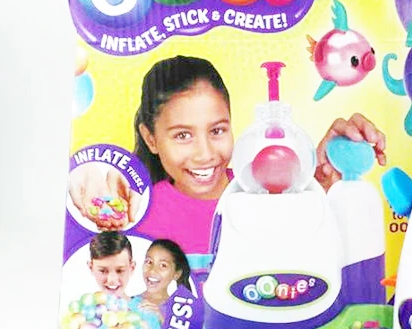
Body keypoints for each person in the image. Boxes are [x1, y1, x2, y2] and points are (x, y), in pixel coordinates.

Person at [133, 55, 386, 255]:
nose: (205, 154)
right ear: (150, 138)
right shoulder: (139, 216)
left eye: (217, 130)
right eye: (182, 135)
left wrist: (323, 188)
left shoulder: (273, 193)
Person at [137, 239, 191, 323]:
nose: (152, 270)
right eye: (149, 262)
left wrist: (160, 317)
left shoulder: (179, 312)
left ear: (176, 274)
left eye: (163, 265)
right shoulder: (128, 302)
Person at [87, 231, 135, 297]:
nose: (112, 280)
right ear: (91, 268)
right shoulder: (81, 303)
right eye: (102, 271)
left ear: (132, 268)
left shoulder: (143, 303)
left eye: (119, 271)